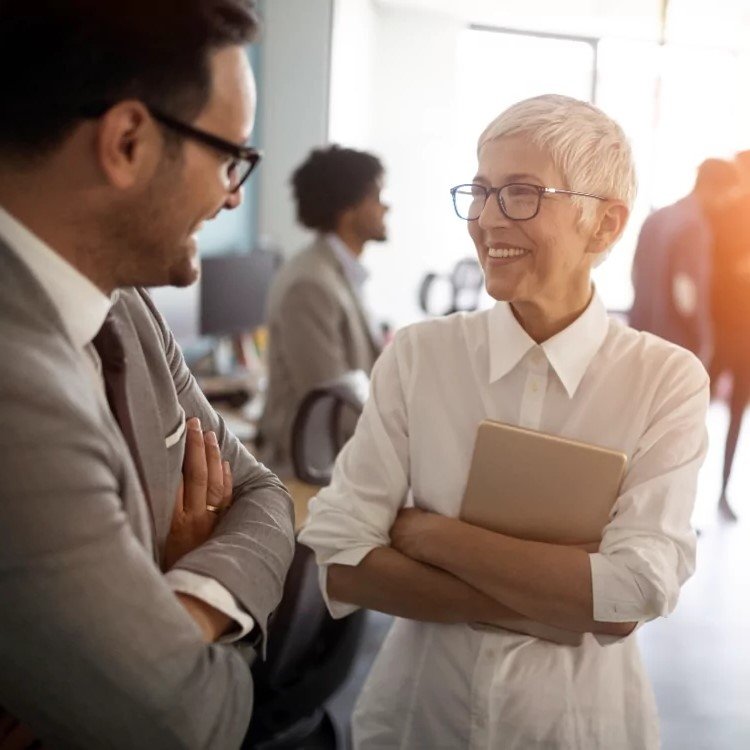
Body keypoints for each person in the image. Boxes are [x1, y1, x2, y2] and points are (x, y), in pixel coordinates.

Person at [299, 94, 709, 749]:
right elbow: (342, 562)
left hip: (575, 728)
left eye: (520, 193)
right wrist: (563, 599)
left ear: (604, 226)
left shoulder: (664, 380)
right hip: (420, 720)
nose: (487, 219)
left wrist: (430, 538)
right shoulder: (419, 355)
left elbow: (636, 587)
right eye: (481, 192)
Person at [0, 2, 294, 748]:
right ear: (127, 141)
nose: (233, 194)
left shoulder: (126, 306)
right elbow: (183, 722)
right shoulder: (14, 389)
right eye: (231, 157)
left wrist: (178, 603)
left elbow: (263, 493)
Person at [258, 145, 388, 469]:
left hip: (338, 461)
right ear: (348, 210)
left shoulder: (340, 274)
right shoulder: (310, 285)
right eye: (376, 196)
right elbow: (335, 406)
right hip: (308, 472)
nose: (386, 207)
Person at [630, 158, 739, 365]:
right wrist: (703, 340)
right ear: (715, 187)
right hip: (673, 344)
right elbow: (686, 293)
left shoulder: (656, 218)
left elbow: (635, 274)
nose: (726, 203)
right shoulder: (695, 227)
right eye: (728, 195)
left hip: (639, 335)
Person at [708, 151, 750, 519]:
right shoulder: (720, 214)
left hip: (745, 335)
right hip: (719, 330)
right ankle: (683, 496)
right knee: (694, 410)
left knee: (737, 413)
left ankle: (723, 491)